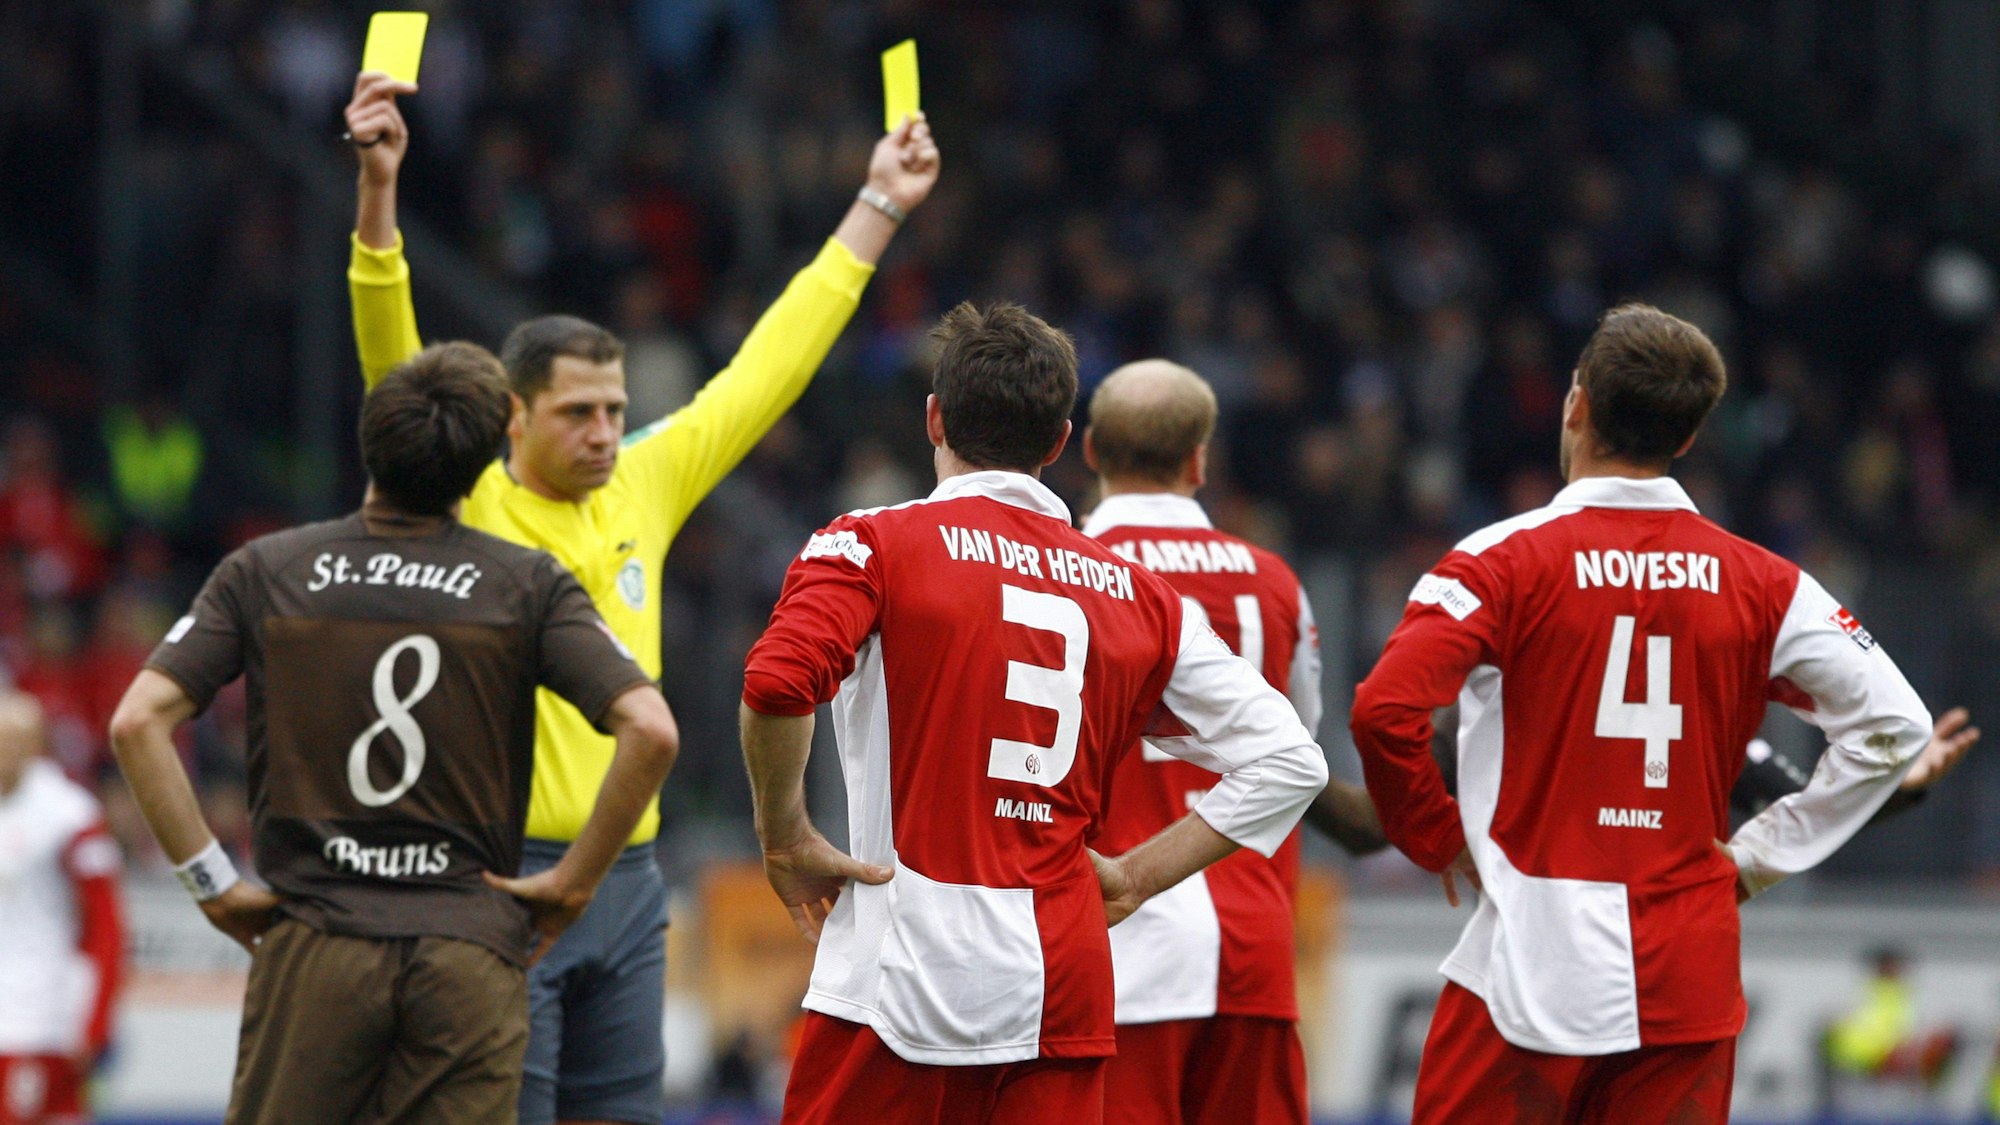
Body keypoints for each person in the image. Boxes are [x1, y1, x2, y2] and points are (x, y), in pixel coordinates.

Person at [340, 70, 940, 1125]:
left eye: (615, 410)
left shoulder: (644, 481)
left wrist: (879, 202)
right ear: (512, 416)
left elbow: (770, 364)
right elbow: (389, 354)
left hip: (628, 882)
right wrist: (379, 189)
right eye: (578, 413)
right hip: (496, 879)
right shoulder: (465, 494)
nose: (605, 433)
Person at [738, 302, 1328, 1125]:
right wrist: (1136, 876)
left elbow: (776, 683)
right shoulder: (1140, 593)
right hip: (1062, 981)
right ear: (1058, 442)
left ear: (934, 418)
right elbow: (1293, 759)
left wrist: (786, 836)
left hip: (899, 977)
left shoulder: (871, 543)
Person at [1351, 304, 1934, 1125]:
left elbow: (1384, 709)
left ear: (1577, 404)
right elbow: (1896, 725)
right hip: (1687, 975)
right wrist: (1757, 857)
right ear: (1687, 436)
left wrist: (1436, 836)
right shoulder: (1768, 583)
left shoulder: (1497, 563)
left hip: (1527, 963)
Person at [107, 344, 681, 1125]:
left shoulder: (269, 568)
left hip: (317, 939)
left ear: (367, 443)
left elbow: (138, 720)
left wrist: (214, 885)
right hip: (468, 949)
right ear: (482, 465)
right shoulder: (528, 583)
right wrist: (573, 884)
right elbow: (650, 729)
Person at [1078, 359, 1382, 1125]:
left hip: (1114, 951)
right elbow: (1294, 751)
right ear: (1199, 459)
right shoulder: (1274, 581)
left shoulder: (1066, 574)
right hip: (1253, 951)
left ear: (1090, 450)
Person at [0, 694, 124, 1125]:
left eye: (16, 741)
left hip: (39, 1016)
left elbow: (107, 923)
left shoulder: (69, 816)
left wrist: (95, 1021)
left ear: (36, 746)